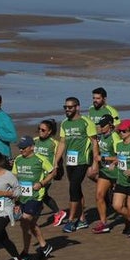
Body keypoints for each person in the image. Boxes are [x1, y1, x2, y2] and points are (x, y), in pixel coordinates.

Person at [54, 96, 97, 232]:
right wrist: (56, 161)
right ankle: (83, 219)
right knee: (76, 188)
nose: (67, 110)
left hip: (83, 161)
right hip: (70, 162)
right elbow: (62, 143)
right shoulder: (65, 123)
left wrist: (95, 162)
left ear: (77, 107)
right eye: (65, 107)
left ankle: (71, 220)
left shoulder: (86, 122)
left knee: (73, 188)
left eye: (70, 107)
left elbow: (95, 142)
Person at [12, 136, 55, 260]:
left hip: (35, 196)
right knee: (27, 225)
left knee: (26, 219)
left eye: (24, 148)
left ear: (31, 147)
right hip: (21, 196)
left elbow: (52, 172)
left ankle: (40, 246)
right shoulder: (18, 160)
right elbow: (14, 176)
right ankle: (38, 247)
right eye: (20, 148)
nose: (21, 150)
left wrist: (41, 183)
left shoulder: (41, 159)